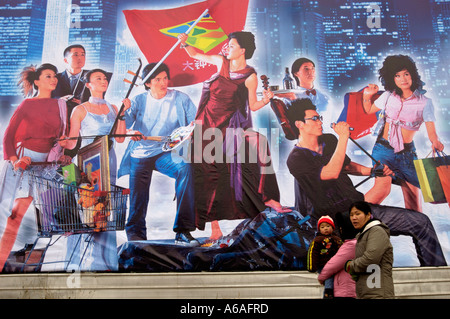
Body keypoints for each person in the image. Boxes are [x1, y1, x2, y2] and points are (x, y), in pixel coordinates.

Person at [286, 98, 447, 267]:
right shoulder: (296, 159)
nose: (320, 122)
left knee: (421, 222)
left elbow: (346, 166)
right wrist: (343, 138)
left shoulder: (329, 141)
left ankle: (436, 273)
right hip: (334, 223)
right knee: (343, 273)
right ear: (299, 124)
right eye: (314, 119)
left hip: (358, 210)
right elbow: (331, 173)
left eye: (319, 117)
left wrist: (371, 170)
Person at [178, 31, 289, 239]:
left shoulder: (250, 76)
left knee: (243, 158)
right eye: (227, 45)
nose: (227, 48)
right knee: (206, 177)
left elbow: (253, 106)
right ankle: (214, 229)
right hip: (205, 125)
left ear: (243, 50)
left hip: (229, 128)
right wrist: (185, 43)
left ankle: (266, 203)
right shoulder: (221, 62)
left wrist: (266, 99)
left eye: (231, 45)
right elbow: (195, 55)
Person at [118, 62, 198, 246]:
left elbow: (195, 122)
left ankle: (183, 231)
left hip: (166, 151)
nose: (163, 82)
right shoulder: (139, 100)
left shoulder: (180, 98)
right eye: (157, 79)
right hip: (141, 153)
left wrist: (191, 131)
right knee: (138, 198)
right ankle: (136, 239)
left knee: (185, 167)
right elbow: (123, 129)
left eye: (165, 78)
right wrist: (126, 121)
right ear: (147, 83)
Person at [59, 68, 129, 271]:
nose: (103, 81)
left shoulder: (113, 107)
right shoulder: (80, 109)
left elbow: (120, 138)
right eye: (98, 78)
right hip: (89, 160)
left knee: (107, 208)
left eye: (105, 78)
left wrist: (122, 114)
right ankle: (80, 262)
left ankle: (105, 263)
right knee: (90, 208)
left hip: (110, 159)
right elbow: (73, 143)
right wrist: (62, 144)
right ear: (88, 85)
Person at [0, 63, 68, 272]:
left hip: (46, 165)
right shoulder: (27, 105)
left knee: (48, 218)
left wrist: (63, 155)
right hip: (23, 162)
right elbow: (8, 136)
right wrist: (14, 160)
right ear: (37, 81)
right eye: (48, 76)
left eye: (55, 76)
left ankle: (37, 264)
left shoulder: (61, 105)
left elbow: (60, 140)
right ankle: (1, 264)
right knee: (13, 216)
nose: (53, 79)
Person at [362, 55, 444, 212]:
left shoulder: (425, 102)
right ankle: (347, 222)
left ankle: (417, 235)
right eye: (397, 75)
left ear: (412, 74)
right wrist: (367, 96)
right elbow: (369, 111)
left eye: (406, 74)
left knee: (416, 202)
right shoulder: (387, 96)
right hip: (383, 150)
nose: (403, 79)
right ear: (392, 78)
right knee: (382, 189)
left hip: (407, 155)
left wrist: (436, 142)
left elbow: (431, 131)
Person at [52, 44, 112, 158]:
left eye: (83, 55)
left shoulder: (94, 78)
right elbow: (41, 101)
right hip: (57, 130)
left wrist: (84, 105)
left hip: (83, 132)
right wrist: (58, 101)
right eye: (75, 55)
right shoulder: (54, 78)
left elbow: (99, 102)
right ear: (65, 59)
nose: (80, 58)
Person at [345, 201, 394, 299]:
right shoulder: (362, 235)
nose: (354, 218)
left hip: (378, 293)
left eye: (358, 214)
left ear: (368, 215)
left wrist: (351, 266)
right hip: (366, 292)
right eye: (351, 215)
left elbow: (371, 258)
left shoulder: (377, 231)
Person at [318, 211, 358, 299]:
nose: (340, 230)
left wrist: (321, 277)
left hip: (346, 291)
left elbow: (332, 265)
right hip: (347, 289)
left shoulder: (350, 245)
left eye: (341, 228)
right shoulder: (351, 243)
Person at [306, 215, 342, 298]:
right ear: (319, 229)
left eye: (328, 226)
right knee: (329, 275)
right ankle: (328, 293)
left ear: (333, 228)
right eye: (322, 227)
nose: (325, 228)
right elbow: (312, 253)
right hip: (322, 265)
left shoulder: (337, 239)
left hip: (335, 265)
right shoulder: (317, 240)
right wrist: (312, 267)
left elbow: (342, 252)